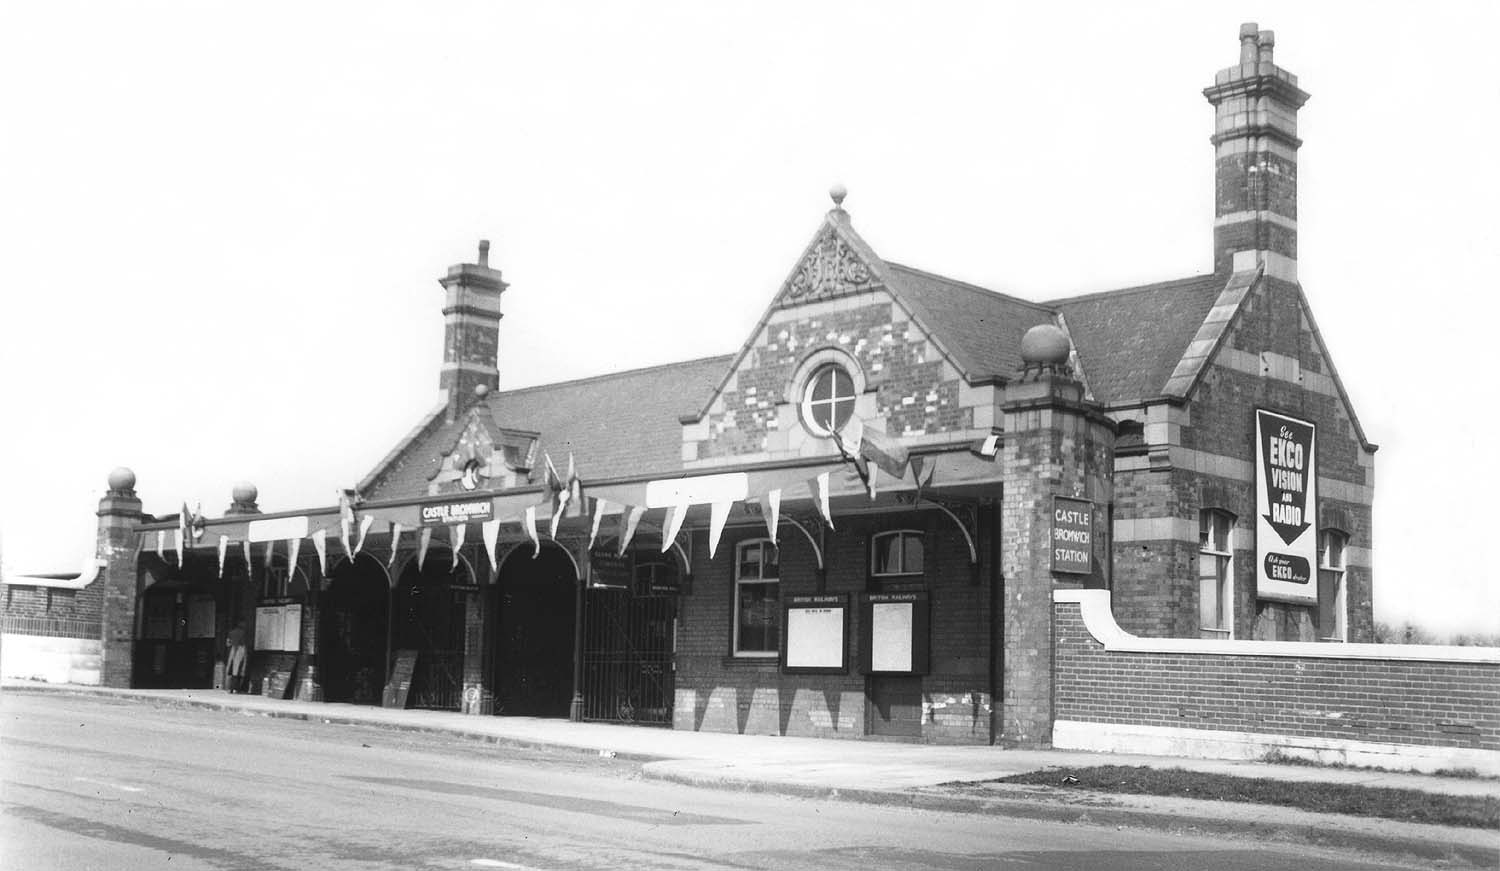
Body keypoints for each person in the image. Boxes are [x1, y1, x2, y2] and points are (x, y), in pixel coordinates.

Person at [226, 621, 248, 693]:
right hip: (241, 649)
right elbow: (244, 644)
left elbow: (228, 643)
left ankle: (230, 688)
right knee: (240, 669)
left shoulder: (231, 633)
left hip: (233, 650)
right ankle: (237, 688)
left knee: (232, 669)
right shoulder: (243, 633)